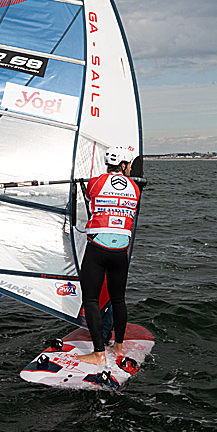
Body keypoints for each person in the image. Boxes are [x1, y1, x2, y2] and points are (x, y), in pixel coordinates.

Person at [75, 146, 141, 365]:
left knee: (91, 299)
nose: (130, 168)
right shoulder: (134, 187)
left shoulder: (95, 182)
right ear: (123, 165)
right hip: (120, 252)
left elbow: (87, 196)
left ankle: (98, 353)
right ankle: (118, 347)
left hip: (98, 249)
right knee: (118, 299)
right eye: (129, 164)